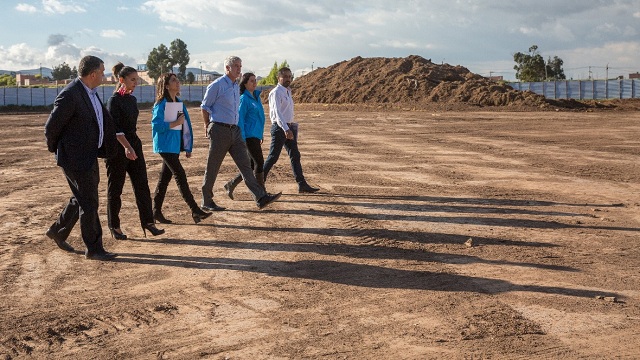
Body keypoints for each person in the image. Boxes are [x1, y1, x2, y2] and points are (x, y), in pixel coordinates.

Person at [44, 55, 118, 260]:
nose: (104, 75)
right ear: (93, 73)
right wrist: (58, 149)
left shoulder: (91, 92)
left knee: (83, 197)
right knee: (89, 202)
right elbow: (51, 127)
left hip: (89, 154)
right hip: (75, 157)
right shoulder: (70, 95)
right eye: (102, 71)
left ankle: (58, 231)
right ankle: (94, 249)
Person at [200, 56, 281, 210]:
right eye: (236, 66)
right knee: (213, 166)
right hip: (219, 129)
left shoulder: (236, 87)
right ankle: (206, 201)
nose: (239, 69)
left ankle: (260, 197)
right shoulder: (217, 85)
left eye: (240, 66)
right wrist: (207, 125)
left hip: (234, 131)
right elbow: (205, 107)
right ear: (227, 68)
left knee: (246, 166)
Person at [105, 62, 164, 239]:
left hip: (133, 144)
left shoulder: (132, 99)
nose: (136, 83)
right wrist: (127, 147)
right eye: (132, 80)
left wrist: (133, 147)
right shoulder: (113, 101)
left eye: (137, 79)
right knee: (116, 188)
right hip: (118, 148)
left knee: (142, 185)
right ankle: (114, 226)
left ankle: (148, 222)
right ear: (121, 80)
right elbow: (115, 130)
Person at [151, 73, 212, 224]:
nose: (177, 82)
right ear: (166, 86)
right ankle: (195, 210)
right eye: (173, 80)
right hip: (165, 146)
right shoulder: (161, 104)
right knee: (180, 175)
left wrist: (187, 146)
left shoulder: (178, 102)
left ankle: (155, 212)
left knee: (164, 180)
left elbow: (185, 127)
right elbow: (156, 126)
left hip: (174, 146)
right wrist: (174, 123)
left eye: (177, 79)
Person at [263, 67, 319, 193]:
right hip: (280, 128)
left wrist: (290, 127)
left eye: (290, 76)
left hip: (289, 127)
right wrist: (286, 129)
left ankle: (302, 184)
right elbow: (277, 113)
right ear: (279, 78)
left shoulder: (288, 91)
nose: (288, 79)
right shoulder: (276, 92)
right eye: (285, 77)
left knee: (295, 155)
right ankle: (259, 184)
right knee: (273, 157)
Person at [223, 72, 266, 199]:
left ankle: (231, 184)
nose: (254, 83)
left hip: (256, 134)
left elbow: (259, 118)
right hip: (248, 135)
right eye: (251, 81)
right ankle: (261, 193)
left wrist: (261, 134)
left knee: (251, 165)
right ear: (245, 83)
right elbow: (240, 119)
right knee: (259, 162)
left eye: (255, 80)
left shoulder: (256, 97)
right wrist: (241, 137)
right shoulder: (244, 99)